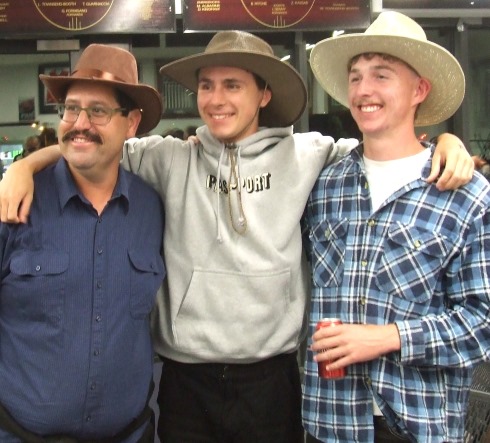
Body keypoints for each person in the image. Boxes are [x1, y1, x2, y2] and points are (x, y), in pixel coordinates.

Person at [0, 31, 473, 443]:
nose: (215, 98)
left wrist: (444, 143)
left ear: (264, 94)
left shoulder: (310, 155)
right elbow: (93, 143)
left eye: (232, 85)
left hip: (272, 380)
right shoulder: (169, 160)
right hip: (186, 381)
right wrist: (24, 165)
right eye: (206, 85)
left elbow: (388, 146)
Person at [303, 11, 490, 443]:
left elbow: (482, 323)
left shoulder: (464, 194)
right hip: (330, 422)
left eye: (382, 75)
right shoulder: (325, 185)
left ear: (419, 89)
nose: (363, 90)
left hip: (418, 424)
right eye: (355, 76)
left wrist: (390, 338)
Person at [0, 44, 165, 441]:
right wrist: (23, 165)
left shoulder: (152, 209)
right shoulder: (15, 203)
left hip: (130, 434)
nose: (80, 123)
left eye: (99, 111)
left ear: (132, 123)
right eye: (71, 108)